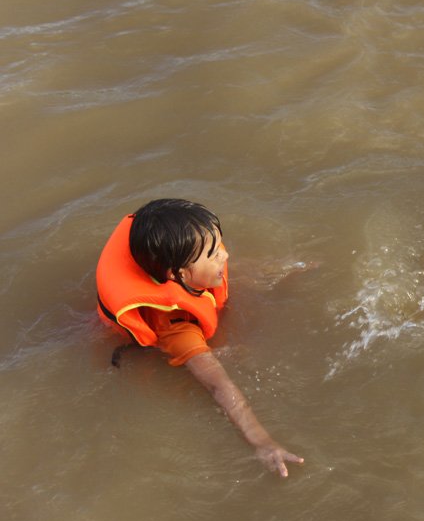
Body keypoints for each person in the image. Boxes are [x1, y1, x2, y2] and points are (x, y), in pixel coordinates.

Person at [96, 199, 304, 477]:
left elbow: (218, 272)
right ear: (179, 274)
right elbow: (220, 386)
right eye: (213, 254)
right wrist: (262, 443)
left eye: (219, 246)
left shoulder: (186, 273)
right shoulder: (178, 328)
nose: (225, 256)